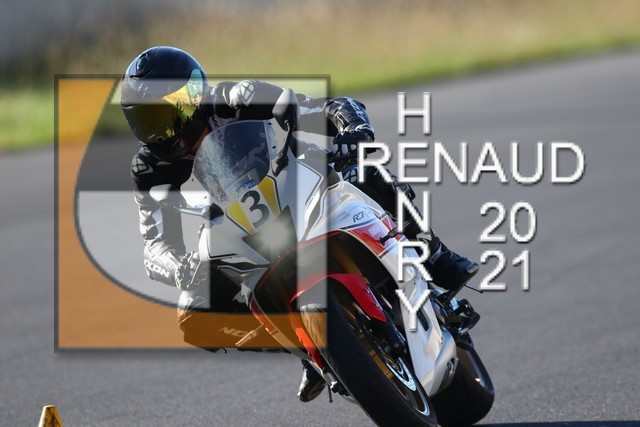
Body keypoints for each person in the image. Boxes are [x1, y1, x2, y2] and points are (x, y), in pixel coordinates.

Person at [121, 46, 479, 403]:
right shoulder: (149, 168)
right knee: (194, 315)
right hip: (234, 223)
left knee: (367, 173)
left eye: (167, 112)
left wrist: (352, 131)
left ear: (193, 94)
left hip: (298, 176)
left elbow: (326, 107)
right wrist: (180, 268)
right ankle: (307, 351)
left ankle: (435, 257)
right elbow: (154, 246)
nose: (161, 130)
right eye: (148, 121)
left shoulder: (238, 97)